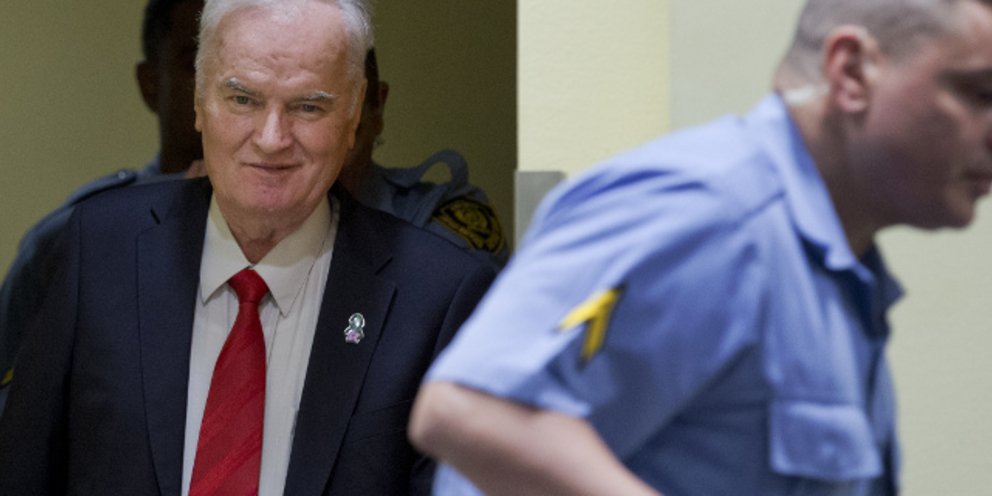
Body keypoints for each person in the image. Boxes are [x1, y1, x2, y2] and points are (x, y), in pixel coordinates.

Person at [409, 0, 992, 494]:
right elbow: (471, 409)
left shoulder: (834, 267)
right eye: (978, 92)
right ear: (852, 71)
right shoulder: (712, 213)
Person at [0, 1, 495, 495]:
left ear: (354, 113)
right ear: (199, 101)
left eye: (308, 106)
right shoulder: (98, 251)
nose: (272, 138)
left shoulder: (437, 296)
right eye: (242, 99)